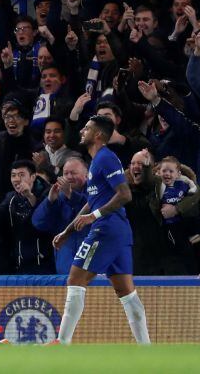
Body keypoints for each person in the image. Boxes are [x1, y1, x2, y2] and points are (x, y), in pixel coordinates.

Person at [52, 115, 150, 345]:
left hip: (107, 229)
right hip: (118, 232)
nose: (81, 131)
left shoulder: (105, 158)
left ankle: (62, 343)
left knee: (75, 279)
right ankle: (147, 349)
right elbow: (91, 202)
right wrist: (67, 231)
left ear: (98, 135)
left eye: (86, 128)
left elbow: (124, 194)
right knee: (126, 292)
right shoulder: (97, 161)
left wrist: (93, 217)